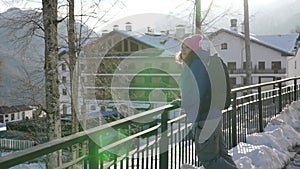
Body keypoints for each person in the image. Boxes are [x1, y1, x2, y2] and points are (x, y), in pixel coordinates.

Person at [174, 34, 237, 169]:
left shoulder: (196, 64)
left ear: (194, 50)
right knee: (221, 154)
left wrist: (184, 103)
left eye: (187, 48)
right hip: (213, 113)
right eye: (182, 47)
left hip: (205, 116)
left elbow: (200, 90)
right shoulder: (201, 61)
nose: (184, 50)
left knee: (208, 159)